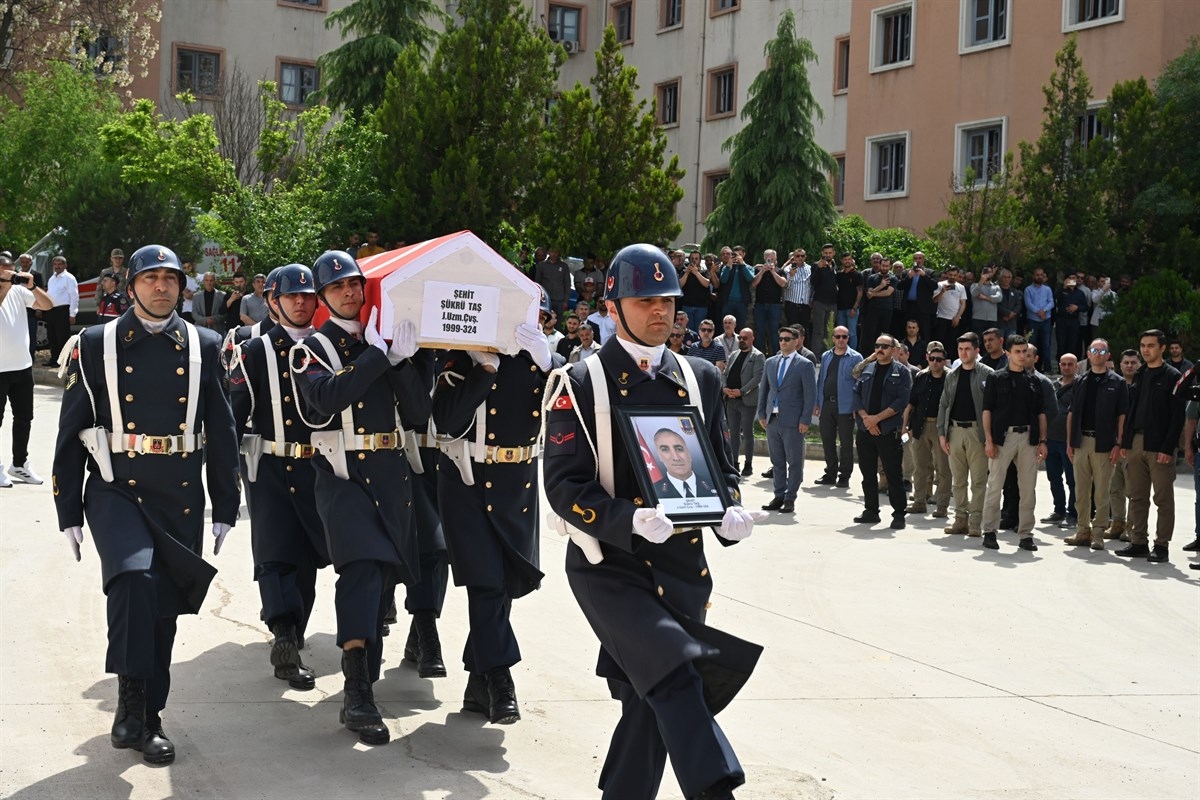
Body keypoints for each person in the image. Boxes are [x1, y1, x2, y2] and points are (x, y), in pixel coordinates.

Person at [543, 242, 764, 800]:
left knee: (648, 702)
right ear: (612, 307)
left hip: (682, 567)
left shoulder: (700, 376)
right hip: (611, 567)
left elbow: (719, 465)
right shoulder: (582, 381)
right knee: (674, 674)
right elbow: (563, 486)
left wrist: (727, 511)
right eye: (645, 301)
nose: (661, 311)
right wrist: (628, 519)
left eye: (667, 300)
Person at [52, 244, 240, 764]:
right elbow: (71, 429)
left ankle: (151, 716)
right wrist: (68, 509)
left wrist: (226, 503)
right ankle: (130, 703)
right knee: (134, 578)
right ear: (130, 285)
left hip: (179, 491)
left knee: (162, 607)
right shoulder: (96, 342)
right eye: (150, 278)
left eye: (170, 278)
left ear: (182, 287)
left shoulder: (205, 343)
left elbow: (222, 429)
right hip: (117, 487)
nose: (161, 287)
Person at [292, 249, 431, 745]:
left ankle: (364, 674)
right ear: (322, 298)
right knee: (361, 570)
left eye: (353, 283)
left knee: (383, 578)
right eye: (336, 287)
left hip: (391, 474)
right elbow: (325, 399)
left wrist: (401, 361)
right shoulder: (309, 349)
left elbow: (418, 412)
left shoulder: (384, 342)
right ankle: (356, 693)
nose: (348, 292)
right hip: (343, 476)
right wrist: (378, 357)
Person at [433, 293, 558, 727]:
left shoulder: (541, 362)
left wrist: (550, 364)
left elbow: (574, 408)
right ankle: (502, 679)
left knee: (504, 585)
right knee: (486, 583)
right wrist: (483, 371)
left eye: (538, 315)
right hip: (468, 480)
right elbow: (446, 420)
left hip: (517, 483)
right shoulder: (463, 356)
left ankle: (477, 682)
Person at [228, 264, 332, 690]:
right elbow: (234, 413)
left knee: (306, 558)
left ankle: (293, 628)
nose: (302, 303)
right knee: (274, 554)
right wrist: (229, 472)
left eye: (308, 296)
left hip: (320, 468)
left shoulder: (328, 346)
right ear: (273, 301)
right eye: (292, 296)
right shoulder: (254, 351)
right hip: (270, 465)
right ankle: (284, 634)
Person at [1116, 329, 1188, 563]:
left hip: (1160, 446)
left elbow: (1177, 416)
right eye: (1143, 345)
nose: (1146, 350)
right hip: (1136, 443)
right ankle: (1138, 542)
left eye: (1151, 345)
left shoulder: (1172, 376)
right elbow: (1131, 409)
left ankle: (1161, 546)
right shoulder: (1140, 374)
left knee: (1163, 499)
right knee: (1137, 496)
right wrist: (1126, 442)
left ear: (1162, 348)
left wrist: (1168, 448)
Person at [978, 335, 1048, 551]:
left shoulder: (1034, 380)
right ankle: (990, 531)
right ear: (1008, 353)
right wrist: (989, 440)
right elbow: (987, 410)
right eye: (1017, 351)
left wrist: (1042, 441)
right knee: (995, 486)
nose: (1022, 355)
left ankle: (1026, 534)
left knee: (1028, 489)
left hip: (1028, 438)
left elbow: (1041, 413)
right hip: (1003, 438)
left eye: (1025, 351)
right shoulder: (996, 378)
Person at [1063, 339, 1128, 550]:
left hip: (1105, 445)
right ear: (1088, 355)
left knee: (1101, 492)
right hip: (1081, 442)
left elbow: (1122, 415)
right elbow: (1072, 413)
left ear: (1108, 356)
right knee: (1081, 491)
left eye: (1101, 351)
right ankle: (1083, 530)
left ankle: (1098, 533)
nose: (1097, 354)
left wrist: (1119, 443)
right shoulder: (1080, 381)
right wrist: (1069, 442)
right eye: (1093, 350)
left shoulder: (1117, 382)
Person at [0, 256, 54, 488]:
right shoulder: (6, 291)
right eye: (4, 271)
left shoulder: (19, 291)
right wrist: (4, 285)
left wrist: (32, 286)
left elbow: (48, 305)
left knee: (24, 418)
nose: (10, 275)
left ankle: (20, 464)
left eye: (11, 271)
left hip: (22, 367)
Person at [851, 335, 913, 529]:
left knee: (893, 474)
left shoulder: (902, 372)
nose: (880, 349)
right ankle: (871, 511)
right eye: (877, 345)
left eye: (885, 346)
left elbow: (901, 401)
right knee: (867, 473)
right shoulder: (868, 369)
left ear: (894, 350)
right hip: (866, 429)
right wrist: (867, 419)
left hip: (888, 430)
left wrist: (876, 419)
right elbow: (856, 395)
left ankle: (899, 514)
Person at [937, 333, 996, 539]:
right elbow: (943, 404)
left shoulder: (988, 374)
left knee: (978, 481)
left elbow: (994, 407)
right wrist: (942, 434)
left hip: (977, 433)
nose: (963, 353)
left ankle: (975, 522)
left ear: (977, 351)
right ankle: (960, 519)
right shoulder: (952, 375)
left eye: (968, 349)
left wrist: (989, 438)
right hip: (954, 432)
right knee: (958, 481)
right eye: (960, 349)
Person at [758, 325, 817, 513]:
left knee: (794, 462)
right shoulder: (771, 362)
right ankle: (778, 495)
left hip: (793, 420)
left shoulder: (804, 364)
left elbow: (810, 395)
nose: (783, 342)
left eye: (787, 339)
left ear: (796, 341)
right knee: (777, 461)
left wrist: (805, 419)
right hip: (772, 419)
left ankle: (790, 498)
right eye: (781, 339)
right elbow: (764, 389)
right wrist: (761, 413)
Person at [903, 342, 952, 517]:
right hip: (920, 426)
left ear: (944, 361)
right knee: (920, 467)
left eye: (939, 359)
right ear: (928, 359)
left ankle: (942, 506)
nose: (935, 362)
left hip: (941, 427)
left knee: (943, 469)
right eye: (932, 359)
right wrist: (905, 426)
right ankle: (919, 501)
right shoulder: (921, 376)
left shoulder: (951, 378)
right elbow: (911, 403)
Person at [815, 325, 863, 488]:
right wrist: (817, 402)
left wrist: (857, 407)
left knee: (846, 442)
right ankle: (830, 473)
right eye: (838, 336)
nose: (841, 340)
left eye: (844, 336)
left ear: (848, 338)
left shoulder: (856, 357)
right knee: (827, 440)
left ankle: (844, 475)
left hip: (846, 406)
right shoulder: (826, 356)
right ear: (833, 338)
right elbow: (821, 380)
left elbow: (860, 384)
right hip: (827, 404)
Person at [1104, 349, 1141, 541]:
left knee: (1133, 490)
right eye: (1126, 362)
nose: (1129, 366)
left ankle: (1132, 527)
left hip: (1134, 444)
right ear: (1120, 365)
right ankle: (1117, 523)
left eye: (1133, 363)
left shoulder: (1142, 386)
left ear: (1139, 365)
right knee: (1114, 487)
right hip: (1113, 444)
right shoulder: (1114, 385)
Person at [1041, 353, 1079, 527]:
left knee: (1072, 480)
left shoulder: (1080, 386)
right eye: (1063, 364)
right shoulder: (1053, 386)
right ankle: (1059, 510)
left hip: (1069, 441)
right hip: (1051, 439)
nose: (1066, 367)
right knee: (1054, 477)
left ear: (1076, 366)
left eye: (1070, 364)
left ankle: (1073, 513)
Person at [722, 327, 764, 477]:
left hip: (747, 400)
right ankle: (734, 462)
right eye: (740, 338)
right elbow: (725, 373)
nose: (741, 340)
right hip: (731, 400)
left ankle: (748, 464)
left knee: (747, 433)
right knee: (733, 432)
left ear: (752, 339)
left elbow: (757, 377)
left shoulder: (758, 356)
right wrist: (725, 388)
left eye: (745, 338)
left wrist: (742, 391)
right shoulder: (734, 354)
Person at [652, 428, 720, 498]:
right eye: (665, 450)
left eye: (679, 449)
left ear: (689, 453)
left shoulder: (715, 485)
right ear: (659, 456)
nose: (676, 458)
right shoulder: (653, 491)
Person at [43, 255, 78, 367]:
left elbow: (74, 296)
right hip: (51, 310)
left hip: (62, 311)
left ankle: (64, 361)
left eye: (60, 264)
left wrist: (72, 314)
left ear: (65, 265)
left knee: (62, 337)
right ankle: (54, 359)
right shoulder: (51, 279)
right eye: (55, 264)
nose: (57, 266)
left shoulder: (69, 278)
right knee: (52, 336)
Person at [751, 249, 786, 355]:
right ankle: (758, 355)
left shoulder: (780, 271)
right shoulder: (758, 270)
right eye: (767, 258)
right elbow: (754, 283)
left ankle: (776, 354)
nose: (769, 260)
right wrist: (762, 271)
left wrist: (773, 272)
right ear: (764, 258)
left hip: (774, 305)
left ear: (775, 259)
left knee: (774, 332)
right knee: (759, 331)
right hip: (760, 305)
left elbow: (783, 283)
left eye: (771, 258)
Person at [1023, 268, 1054, 371]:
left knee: (1046, 345)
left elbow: (1051, 302)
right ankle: (1032, 368)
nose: (1039, 277)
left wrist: (1044, 311)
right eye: (1037, 275)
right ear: (1033, 276)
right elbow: (1028, 304)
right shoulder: (1028, 289)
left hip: (1046, 320)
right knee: (1032, 345)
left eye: (1041, 275)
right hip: (1033, 320)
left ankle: (1048, 369)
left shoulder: (1047, 289)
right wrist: (1039, 312)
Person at [718, 245, 754, 328]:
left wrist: (743, 265)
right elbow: (723, 280)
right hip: (728, 302)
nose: (737, 257)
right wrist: (728, 265)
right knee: (726, 326)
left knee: (740, 325)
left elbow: (750, 278)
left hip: (742, 302)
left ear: (744, 255)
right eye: (735, 255)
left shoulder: (748, 267)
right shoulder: (727, 267)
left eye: (740, 255)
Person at [931, 267, 967, 349]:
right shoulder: (940, 285)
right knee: (940, 343)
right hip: (942, 317)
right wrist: (942, 291)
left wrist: (958, 317)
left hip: (955, 319)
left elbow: (963, 304)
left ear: (958, 275)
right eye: (950, 275)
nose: (952, 277)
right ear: (947, 274)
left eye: (954, 275)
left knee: (952, 344)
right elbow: (934, 300)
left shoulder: (961, 287)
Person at [834, 252, 863, 353]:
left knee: (852, 333)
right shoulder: (839, 275)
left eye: (849, 259)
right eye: (845, 259)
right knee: (840, 333)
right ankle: (840, 352)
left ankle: (853, 354)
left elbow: (860, 292)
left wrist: (855, 308)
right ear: (842, 261)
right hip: (840, 308)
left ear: (852, 260)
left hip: (852, 308)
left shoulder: (857, 274)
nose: (847, 261)